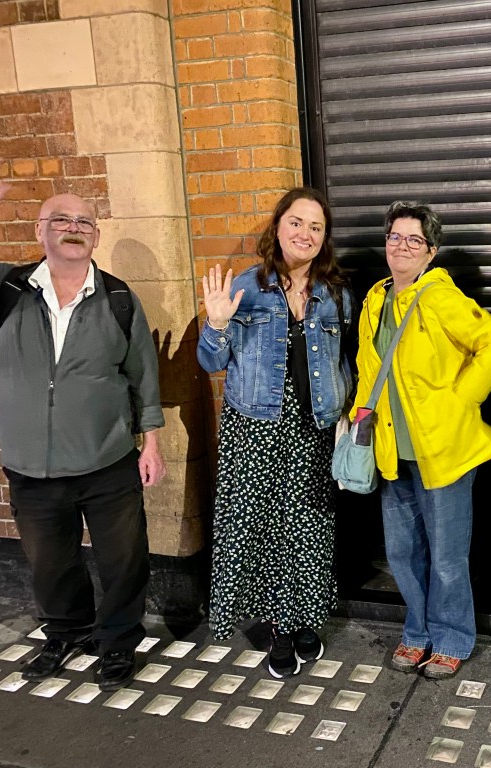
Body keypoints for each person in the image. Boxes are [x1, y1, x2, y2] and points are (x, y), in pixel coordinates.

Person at [0, 144, 166, 691]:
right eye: (60, 219)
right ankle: (68, 632)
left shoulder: (118, 298)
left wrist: (151, 443)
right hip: (32, 466)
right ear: (40, 230)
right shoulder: (5, 288)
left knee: (124, 562)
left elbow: (142, 375)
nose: (73, 228)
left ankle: (116, 642)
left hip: (108, 461)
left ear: (96, 236)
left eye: (83, 222)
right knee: (51, 565)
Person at [197, 187, 355, 678]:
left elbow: (345, 362)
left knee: (309, 530)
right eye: (296, 222)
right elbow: (210, 361)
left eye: (315, 227)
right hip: (254, 430)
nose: (305, 233)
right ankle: (280, 630)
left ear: (325, 238)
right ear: (278, 226)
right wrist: (216, 324)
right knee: (264, 532)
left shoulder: (336, 294)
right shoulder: (246, 287)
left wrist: (345, 414)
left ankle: (306, 619)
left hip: (312, 431)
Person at [353, 200, 491, 680]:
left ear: (431, 251)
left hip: (443, 451)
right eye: (395, 237)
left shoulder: (440, 297)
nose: (401, 246)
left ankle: (452, 637)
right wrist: (361, 415)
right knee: (402, 553)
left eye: (413, 240)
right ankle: (417, 632)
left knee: (446, 558)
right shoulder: (375, 299)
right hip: (392, 450)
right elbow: (368, 367)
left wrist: (463, 398)